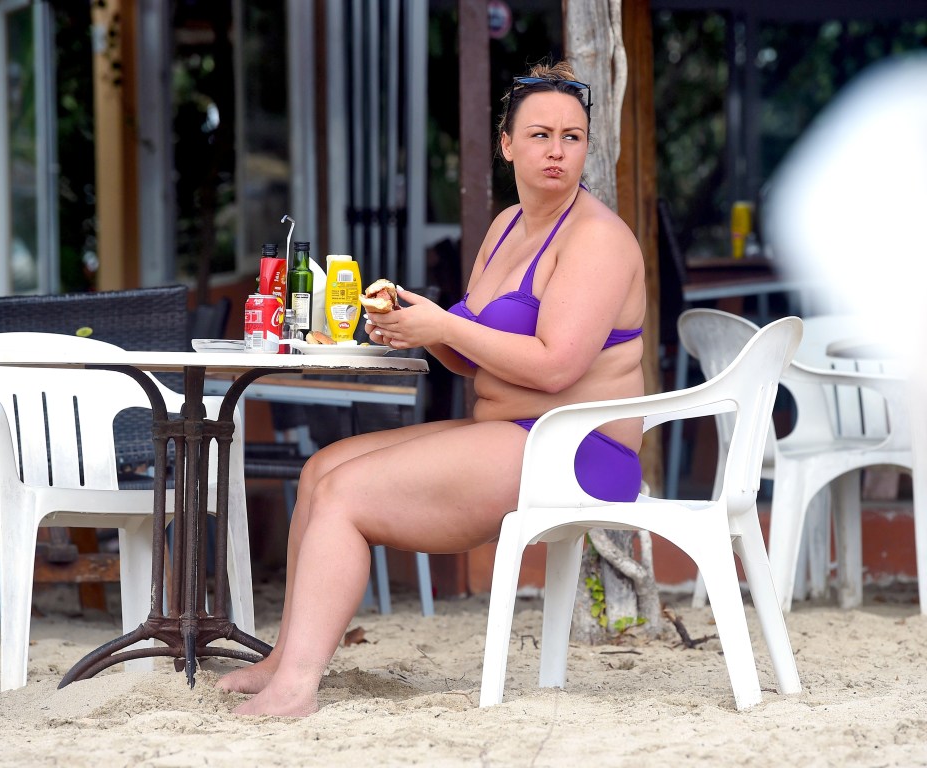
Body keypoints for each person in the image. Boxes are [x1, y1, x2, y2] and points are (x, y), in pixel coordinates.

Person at [218, 60, 647, 717]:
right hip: (508, 434)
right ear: (507, 144)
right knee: (322, 468)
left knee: (346, 493)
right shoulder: (507, 227)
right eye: (539, 135)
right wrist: (420, 328)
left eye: (572, 136)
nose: (557, 151)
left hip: (575, 449)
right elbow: (475, 360)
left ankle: (296, 688)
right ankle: (286, 657)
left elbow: (557, 365)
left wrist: (444, 323)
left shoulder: (597, 239)